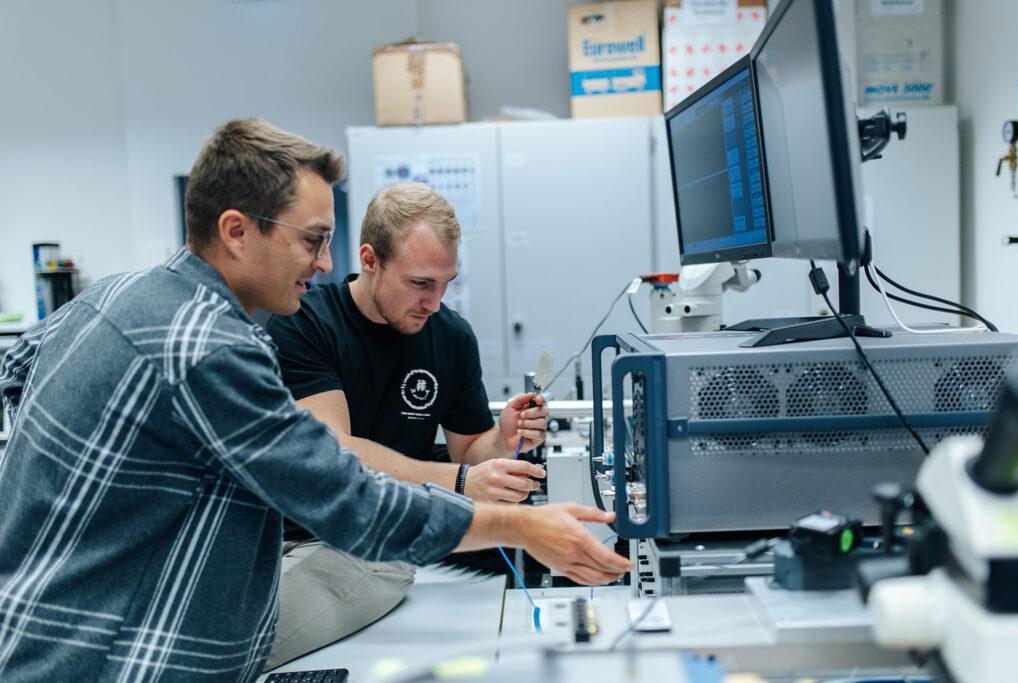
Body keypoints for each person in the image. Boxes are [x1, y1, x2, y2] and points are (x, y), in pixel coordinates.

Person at [0, 118, 631, 682]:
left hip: (35, 624)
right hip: (107, 656)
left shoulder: (117, 295)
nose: (324, 263)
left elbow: (15, 374)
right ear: (236, 231)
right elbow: (347, 496)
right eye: (311, 239)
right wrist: (520, 527)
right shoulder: (212, 344)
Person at [262, 182, 551, 668]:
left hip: (371, 537)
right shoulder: (305, 323)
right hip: (278, 532)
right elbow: (335, 452)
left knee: (243, 639)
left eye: (446, 283)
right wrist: (461, 481)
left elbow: (469, 452)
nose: (435, 302)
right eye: (420, 283)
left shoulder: (452, 338)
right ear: (370, 260)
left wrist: (502, 438)